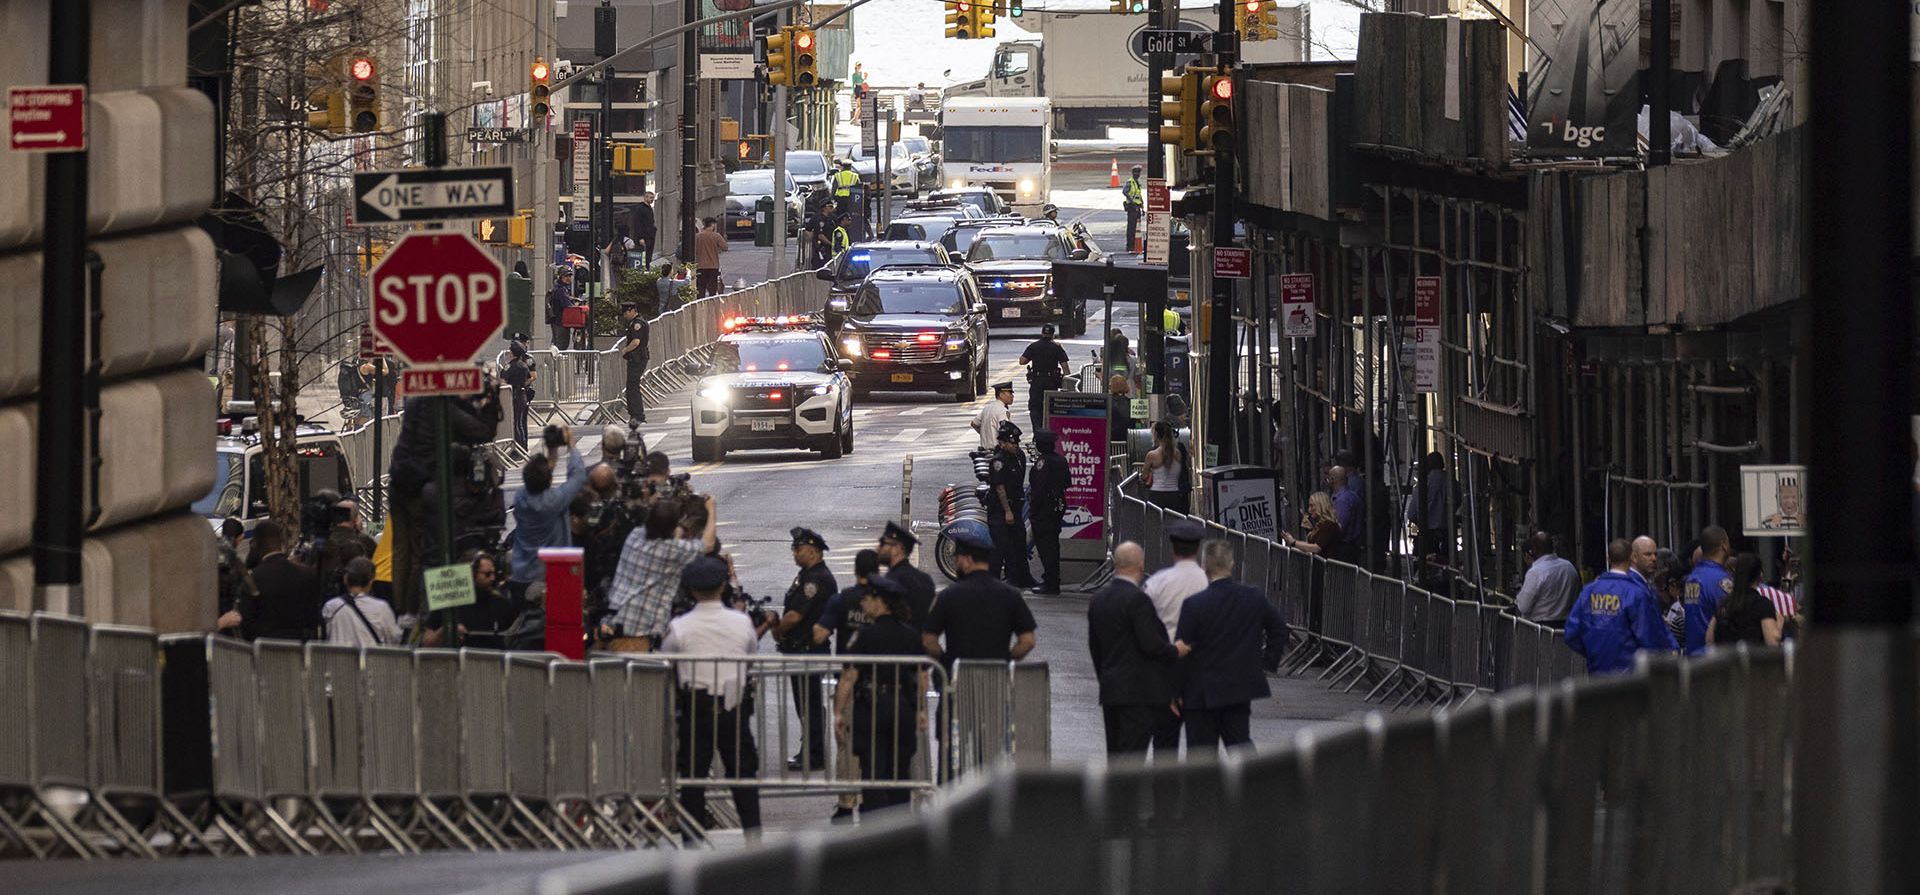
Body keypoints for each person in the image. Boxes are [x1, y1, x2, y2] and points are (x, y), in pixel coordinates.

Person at [661, 554, 770, 835]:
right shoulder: (741, 623)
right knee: (742, 775)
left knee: (693, 779)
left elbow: (667, 661)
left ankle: (693, 841)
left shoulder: (680, 627)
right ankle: (753, 837)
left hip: (696, 708)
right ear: (723, 586)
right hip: (733, 706)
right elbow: (750, 656)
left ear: (691, 589)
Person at [1172, 540, 1289, 751]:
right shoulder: (1252, 597)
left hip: (1201, 690)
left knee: (1201, 756)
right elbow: (1279, 628)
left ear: (1204, 566)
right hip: (1238, 686)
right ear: (1232, 563)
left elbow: (1182, 649)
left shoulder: (1194, 604)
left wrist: (1176, 690)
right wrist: (1266, 663)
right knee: (1240, 745)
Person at [833, 573, 927, 816]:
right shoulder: (910, 635)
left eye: (867, 599)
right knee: (900, 770)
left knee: (873, 771)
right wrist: (920, 709)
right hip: (903, 707)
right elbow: (921, 676)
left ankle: (876, 825)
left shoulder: (865, 635)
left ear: (880, 602)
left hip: (873, 707)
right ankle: (900, 823)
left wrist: (839, 712)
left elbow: (849, 676)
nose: (863, 603)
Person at [1087, 542, 1186, 756]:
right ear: (1141, 565)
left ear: (1116, 564)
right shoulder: (1138, 600)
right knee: (1132, 754)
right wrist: (1174, 650)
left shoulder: (1098, 600)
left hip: (1111, 689)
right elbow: (1150, 643)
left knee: (1115, 753)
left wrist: (1105, 677)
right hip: (1137, 692)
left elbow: (1095, 646)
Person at [604, 495, 720, 651]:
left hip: (614, 621)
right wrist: (711, 509)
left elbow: (669, 535)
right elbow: (708, 544)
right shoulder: (671, 550)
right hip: (636, 636)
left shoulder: (635, 535)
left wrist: (680, 523)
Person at [922, 520, 1038, 666]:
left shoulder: (948, 595)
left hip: (958, 675)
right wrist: (1006, 660)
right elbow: (1028, 640)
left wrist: (946, 662)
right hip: (997, 674)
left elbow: (928, 640)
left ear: (968, 560)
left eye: (957, 559)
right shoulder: (1010, 595)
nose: (956, 563)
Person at [772, 527, 838, 772]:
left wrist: (778, 629)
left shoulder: (815, 580)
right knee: (806, 704)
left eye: (798, 549)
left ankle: (813, 754)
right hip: (801, 649)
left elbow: (795, 615)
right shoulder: (807, 575)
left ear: (813, 551)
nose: (794, 553)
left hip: (808, 650)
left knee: (809, 704)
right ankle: (810, 750)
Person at [1564, 538, 1677, 674]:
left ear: (1608, 558)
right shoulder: (1636, 593)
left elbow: (1571, 633)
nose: (1653, 558)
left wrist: (1594, 653)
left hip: (1597, 672)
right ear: (1631, 558)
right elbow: (1648, 637)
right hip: (1630, 675)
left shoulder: (1589, 590)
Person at [240, 520, 325, 641]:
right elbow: (314, 620)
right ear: (281, 542)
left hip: (264, 647)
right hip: (298, 647)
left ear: (255, 544)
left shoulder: (253, 579)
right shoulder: (307, 575)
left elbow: (246, 624)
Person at [987, 421, 1037, 589]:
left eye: (1016, 442)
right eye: (1011, 442)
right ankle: (993, 582)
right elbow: (1000, 488)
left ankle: (1021, 577)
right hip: (1001, 509)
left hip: (1016, 505)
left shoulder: (1019, 456)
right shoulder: (998, 461)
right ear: (1001, 443)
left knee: (1019, 544)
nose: (1015, 445)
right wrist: (1007, 511)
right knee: (999, 546)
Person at [1027, 429, 1071, 595]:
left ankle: (1050, 582)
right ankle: (1052, 580)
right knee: (1053, 544)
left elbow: (1038, 488)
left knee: (1046, 547)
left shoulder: (1043, 462)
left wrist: (1034, 509)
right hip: (1058, 505)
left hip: (1044, 508)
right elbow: (1067, 483)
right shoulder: (1061, 460)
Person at [322, 557, 402, 646]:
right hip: (371, 654)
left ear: (345, 579)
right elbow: (394, 638)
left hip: (337, 655)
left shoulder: (331, 606)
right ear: (371, 581)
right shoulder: (382, 608)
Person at [1707, 553, 1781, 646]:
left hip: (1726, 654)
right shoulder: (1763, 605)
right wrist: (1779, 625)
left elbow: (1709, 639)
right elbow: (1772, 642)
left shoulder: (1724, 604)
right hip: (1752, 655)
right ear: (1760, 575)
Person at [1681, 526, 1733, 656]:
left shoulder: (1692, 579)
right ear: (1724, 545)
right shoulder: (1722, 581)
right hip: (1716, 657)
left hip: (1695, 654)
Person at [1512, 531, 1580, 626]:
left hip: (1540, 628)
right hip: (1566, 626)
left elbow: (1524, 606)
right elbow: (1576, 597)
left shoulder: (1535, 573)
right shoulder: (1569, 567)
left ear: (1534, 550)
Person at [875, 521, 936, 626]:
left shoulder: (890, 582)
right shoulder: (925, 579)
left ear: (897, 548)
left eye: (883, 543)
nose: (878, 548)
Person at [1017, 324, 1071, 435]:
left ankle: (1037, 433)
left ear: (1042, 333)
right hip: (1052, 382)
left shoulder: (1034, 346)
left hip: (1037, 382)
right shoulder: (1057, 347)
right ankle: (1049, 433)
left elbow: (1022, 361)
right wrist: (1067, 382)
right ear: (1053, 335)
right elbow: (1065, 367)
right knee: (1051, 408)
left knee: (1035, 408)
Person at [1280, 491, 1352, 564]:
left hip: (1328, 567)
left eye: (1312, 506)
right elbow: (1311, 544)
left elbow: (1316, 548)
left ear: (1321, 506)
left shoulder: (1329, 525)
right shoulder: (1320, 525)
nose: (1309, 510)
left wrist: (1294, 542)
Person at [1143, 421, 1191, 514]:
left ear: (1156, 435)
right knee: (1174, 520)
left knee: (1156, 521)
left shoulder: (1151, 454)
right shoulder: (1179, 452)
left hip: (1156, 496)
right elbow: (1183, 471)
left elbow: (1144, 477)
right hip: (1175, 496)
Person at [1411, 451, 1451, 561]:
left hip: (1428, 533)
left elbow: (1411, 514)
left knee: (1423, 563)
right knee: (1446, 562)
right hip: (1447, 534)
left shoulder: (1422, 485)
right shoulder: (1452, 482)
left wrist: (1421, 522)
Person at [620, 301, 650, 427]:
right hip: (636, 358)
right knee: (631, 387)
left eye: (626, 312)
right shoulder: (635, 322)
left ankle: (638, 415)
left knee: (633, 387)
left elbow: (636, 342)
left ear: (632, 310)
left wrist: (625, 350)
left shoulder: (637, 324)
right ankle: (635, 414)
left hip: (637, 358)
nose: (625, 315)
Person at [502, 339, 536, 448]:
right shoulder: (523, 365)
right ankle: (523, 447)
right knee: (521, 423)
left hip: (514, 396)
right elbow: (529, 378)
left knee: (515, 424)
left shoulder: (509, 366)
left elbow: (503, 381)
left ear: (512, 353)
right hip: (522, 395)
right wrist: (521, 385)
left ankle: (518, 448)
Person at [972, 381, 1015, 452]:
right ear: (1001, 395)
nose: (1012, 396)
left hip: (984, 450)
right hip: (997, 451)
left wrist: (984, 434)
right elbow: (1005, 432)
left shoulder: (987, 408)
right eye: (1010, 393)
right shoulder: (1002, 410)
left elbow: (974, 423)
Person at [694, 217, 728, 298]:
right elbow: (725, 247)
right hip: (713, 266)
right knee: (712, 290)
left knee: (700, 288)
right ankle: (712, 304)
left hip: (700, 266)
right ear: (712, 225)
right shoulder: (716, 236)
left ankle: (701, 303)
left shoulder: (697, 236)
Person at [547, 265, 577, 349]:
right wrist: (575, 305)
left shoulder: (560, 288)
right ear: (560, 277)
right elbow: (566, 305)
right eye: (566, 276)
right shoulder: (561, 290)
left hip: (556, 321)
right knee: (561, 345)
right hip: (560, 321)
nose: (568, 278)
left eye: (570, 276)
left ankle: (552, 356)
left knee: (556, 343)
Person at [1122, 164, 1144, 250]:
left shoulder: (1137, 183)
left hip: (1137, 207)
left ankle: (1135, 244)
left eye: (1138, 172)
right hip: (1132, 207)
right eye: (1136, 172)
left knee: (1137, 227)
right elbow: (1125, 192)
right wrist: (1131, 201)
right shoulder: (1130, 182)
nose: (1137, 174)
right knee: (1131, 227)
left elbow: (1138, 194)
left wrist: (1142, 205)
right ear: (1133, 173)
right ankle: (1130, 245)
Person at [634, 192, 658, 266]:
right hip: (644, 236)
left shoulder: (649, 208)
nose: (652, 200)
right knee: (644, 256)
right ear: (645, 198)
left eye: (653, 198)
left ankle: (647, 268)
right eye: (650, 198)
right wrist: (640, 237)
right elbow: (638, 223)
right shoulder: (640, 208)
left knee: (648, 256)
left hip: (650, 236)